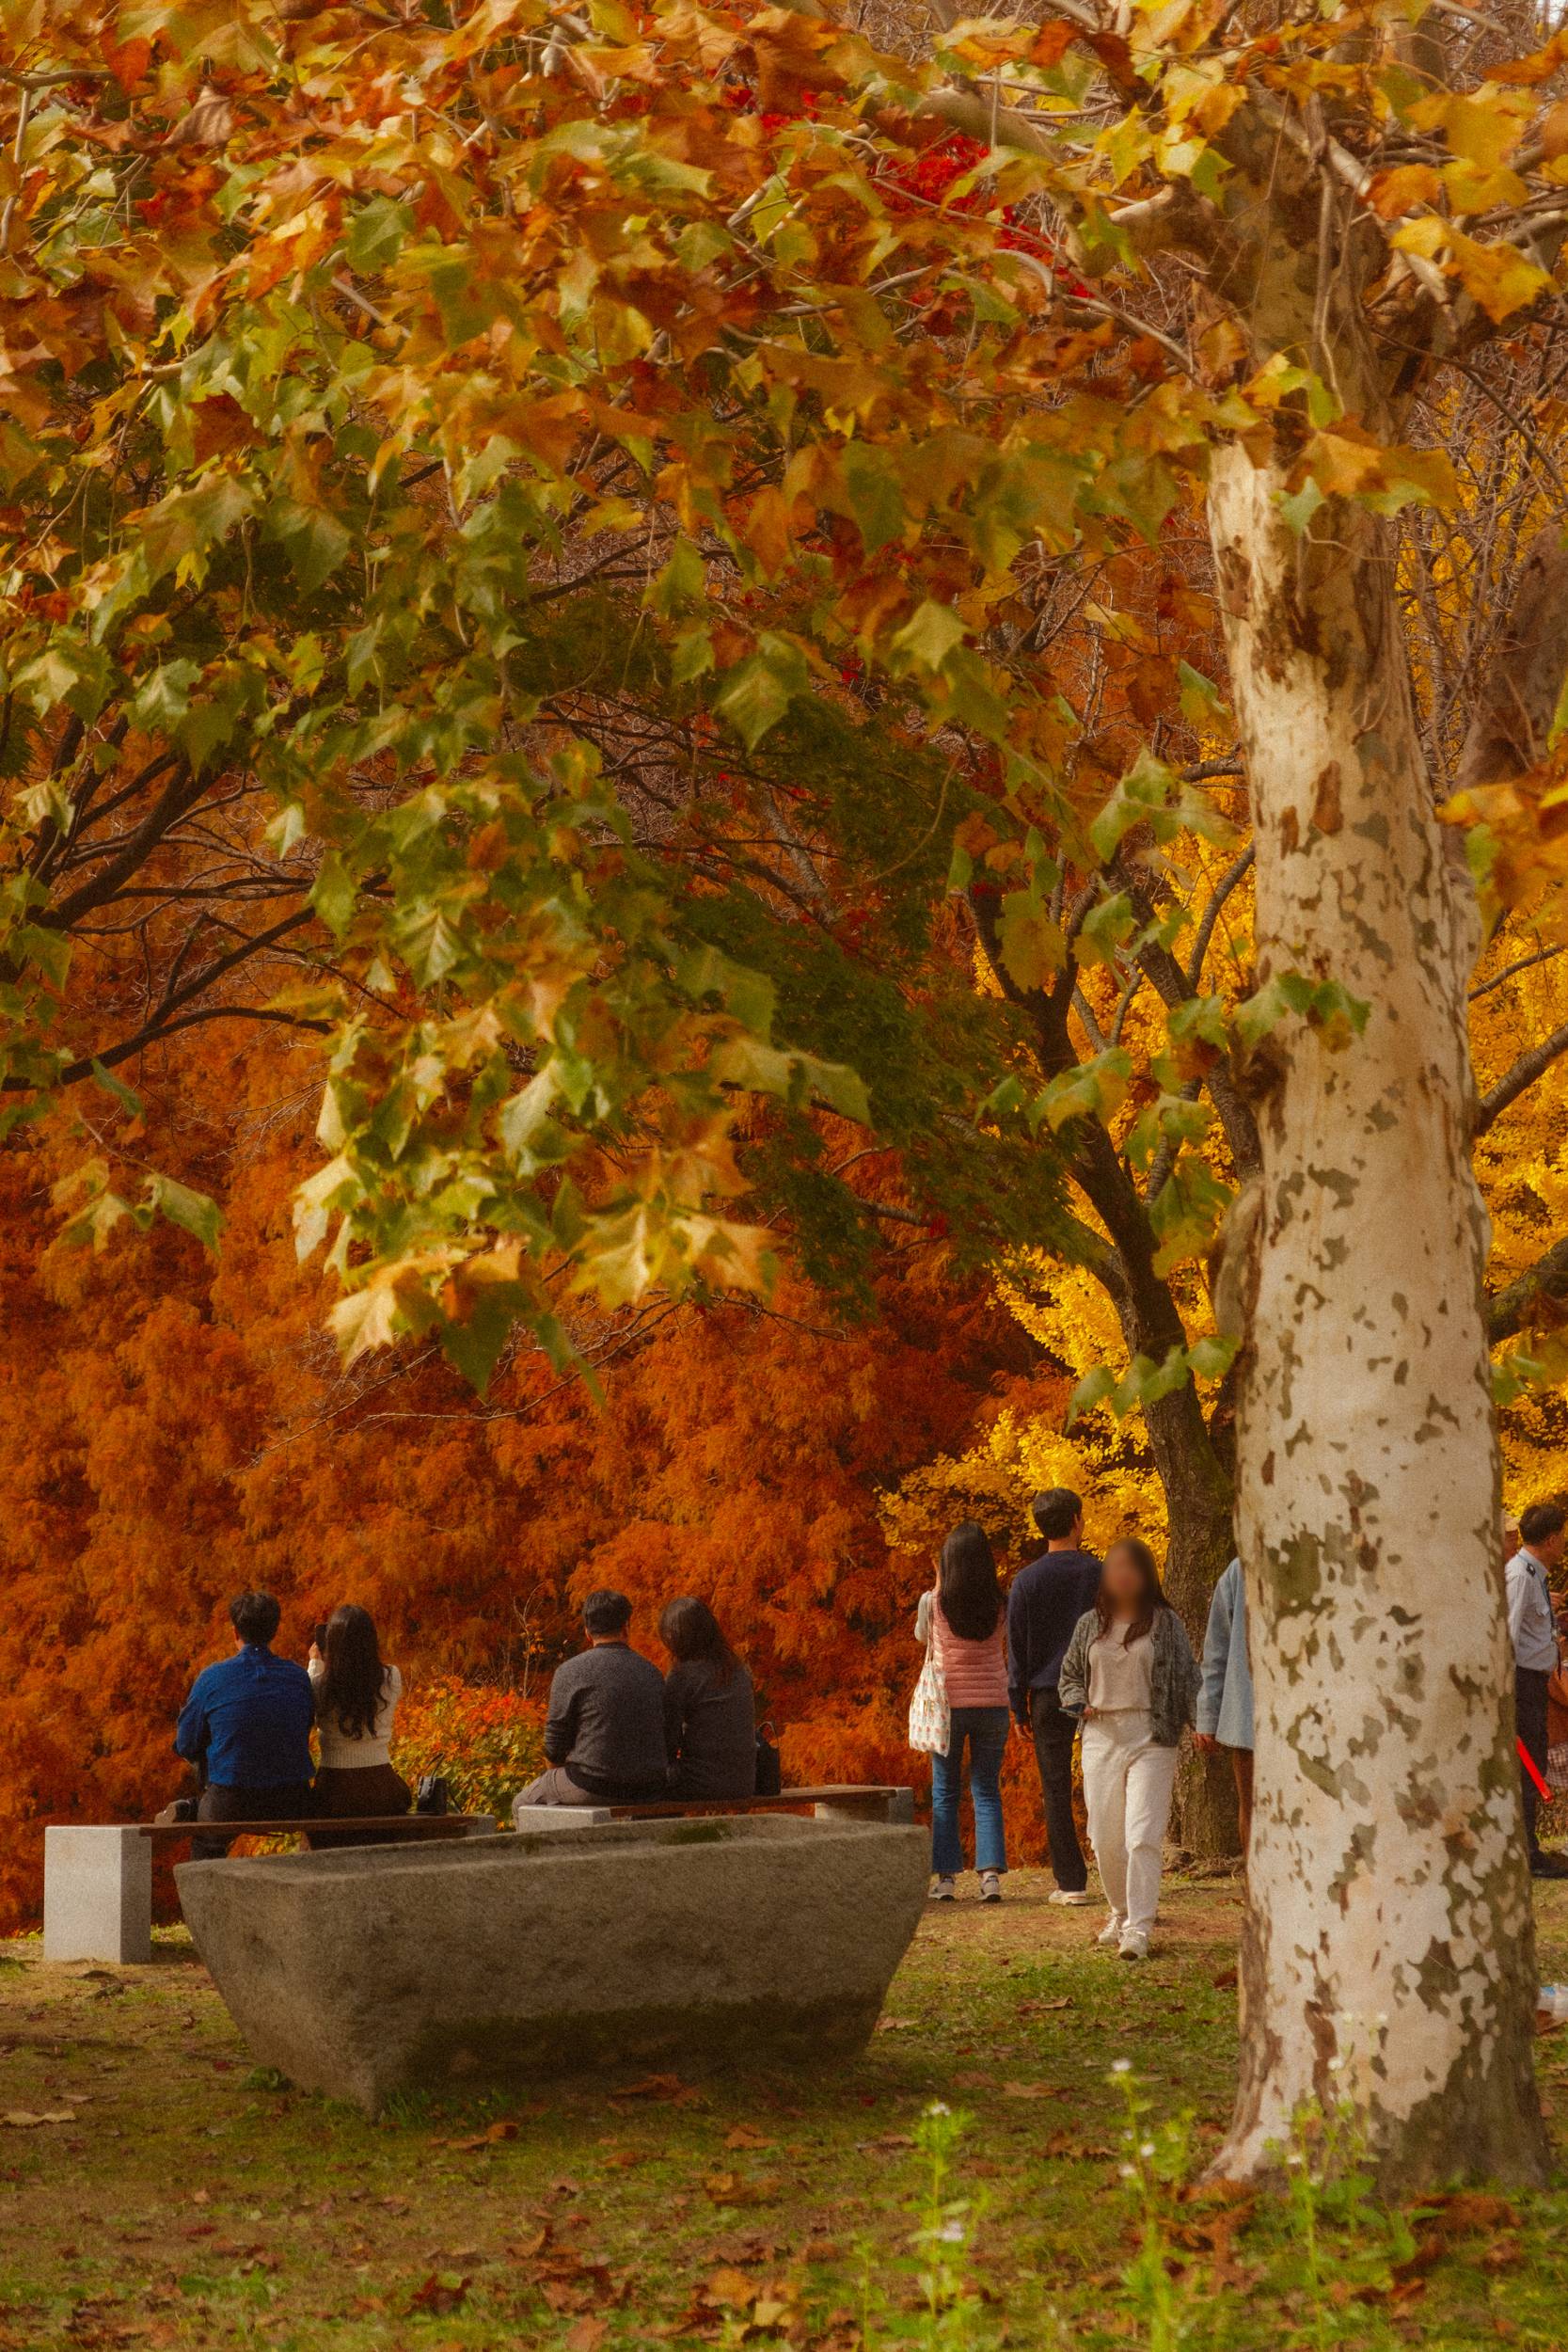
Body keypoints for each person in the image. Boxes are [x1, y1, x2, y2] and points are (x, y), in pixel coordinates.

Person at [1059, 1536, 1199, 1961]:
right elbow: (1068, 1676)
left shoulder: (1165, 1623)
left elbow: (1188, 1678)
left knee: (1142, 1835)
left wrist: (1203, 1723)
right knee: (1104, 1837)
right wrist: (1076, 1701)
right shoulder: (1089, 1624)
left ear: (1145, 1575)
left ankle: (1139, 1927)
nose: (1122, 1573)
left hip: (1151, 1736)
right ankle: (1119, 1913)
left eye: (1131, 1566)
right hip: (1100, 1733)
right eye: (1114, 1565)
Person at [1006, 1487, 1101, 1905]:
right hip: (1100, 1688)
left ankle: (1071, 1882)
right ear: (1077, 1521)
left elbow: (1018, 1646)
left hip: (1047, 1691)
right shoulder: (1100, 1573)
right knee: (1109, 1780)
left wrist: (1017, 1705)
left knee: (1056, 1787)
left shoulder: (1026, 1581)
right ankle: (1117, 1867)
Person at [175, 1591, 315, 1860]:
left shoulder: (212, 1678)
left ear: (234, 1632)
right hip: (293, 1800)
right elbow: (306, 1725)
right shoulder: (297, 1677)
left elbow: (185, 1744)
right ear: (275, 1631)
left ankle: (205, 1895)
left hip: (231, 1801)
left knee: (206, 1842)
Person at [918, 1521, 1010, 1904]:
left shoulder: (933, 1601)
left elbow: (922, 1638)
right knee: (986, 1789)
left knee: (945, 1792)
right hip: (993, 1705)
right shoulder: (1001, 1603)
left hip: (948, 1709)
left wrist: (938, 1584)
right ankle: (990, 1877)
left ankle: (946, 1880)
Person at [514, 1589, 668, 1812]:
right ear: (626, 1627)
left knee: (521, 1804)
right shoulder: (652, 1672)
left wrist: (553, 1775)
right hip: (650, 1787)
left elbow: (554, 1743)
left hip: (592, 1784)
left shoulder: (571, 1671)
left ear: (587, 1631)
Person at [307, 1604, 410, 1848]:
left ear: (331, 1643)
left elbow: (311, 1705)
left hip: (334, 1791)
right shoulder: (391, 1677)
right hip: (382, 1790)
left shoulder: (319, 1686)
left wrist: (315, 1664)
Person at [1507, 1502, 1568, 1879]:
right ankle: (1528, 1853)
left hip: (1534, 1680)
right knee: (1529, 1767)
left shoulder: (1534, 1574)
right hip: (1523, 1683)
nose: (1564, 1543)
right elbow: (1509, 1634)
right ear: (1550, 1538)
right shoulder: (1521, 1575)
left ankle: (1531, 1847)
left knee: (1536, 1765)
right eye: (1562, 1536)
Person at [660, 1597, 757, 1799]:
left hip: (700, 1781)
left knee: (644, 1785)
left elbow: (669, 1741)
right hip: (745, 1781)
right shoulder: (738, 1668)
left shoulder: (682, 1675)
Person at [1194, 1555, 1254, 1858]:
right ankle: (1258, 1891)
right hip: (1248, 1716)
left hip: (1313, 1719)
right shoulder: (1239, 1570)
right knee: (1253, 1808)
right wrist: (1207, 1716)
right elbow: (1216, 1648)